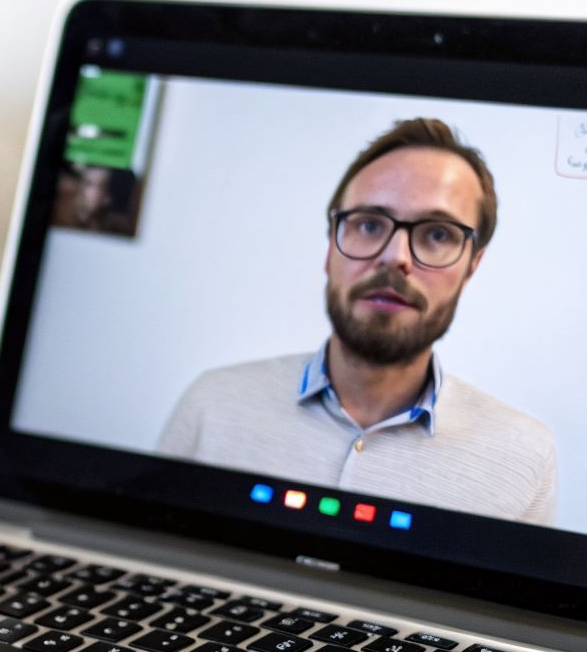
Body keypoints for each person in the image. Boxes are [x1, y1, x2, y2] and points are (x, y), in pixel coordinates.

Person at [156, 118, 558, 524]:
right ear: (331, 247)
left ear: (472, 266)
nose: (395, 257)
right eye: (369, 225)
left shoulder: (523, 458)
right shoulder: (212, 406)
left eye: (437, 234)